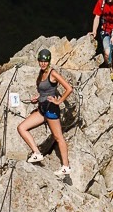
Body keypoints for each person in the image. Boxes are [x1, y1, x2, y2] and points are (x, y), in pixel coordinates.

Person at [16, 48, 73, 177]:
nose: (43, 63)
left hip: (51, 111)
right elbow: (44, 91)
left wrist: (59, 101)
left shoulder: (53, 73)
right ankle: (37, 153)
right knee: (21, 128)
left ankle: (66, 166)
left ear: (49, 61)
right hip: (42, 109)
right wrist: (37, 98)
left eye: (45, 61)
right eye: (41, 61)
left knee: (58, 138)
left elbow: (69, 88)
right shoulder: (41, 73)